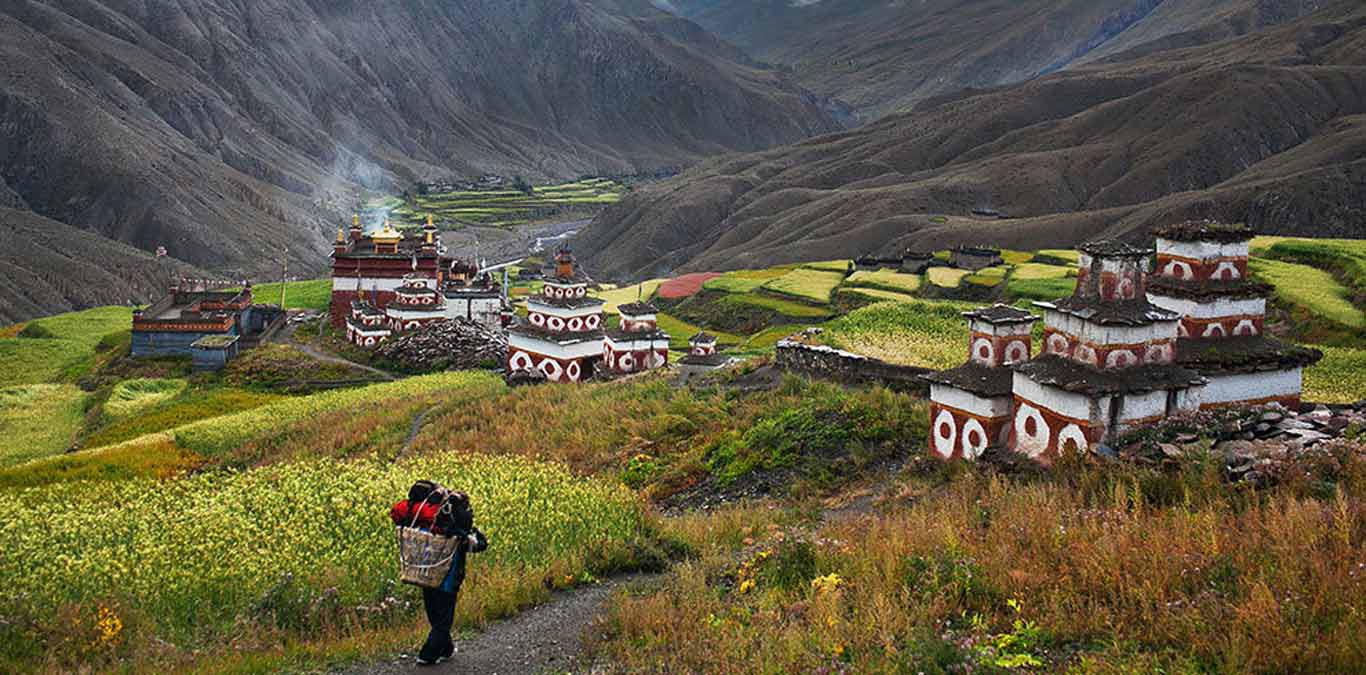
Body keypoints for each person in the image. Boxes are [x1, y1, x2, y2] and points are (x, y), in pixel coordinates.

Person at [390, 482, 488, 666]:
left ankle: (446, 648)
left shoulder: (420, 521)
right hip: (447, 577)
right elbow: (478, 545)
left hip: (423, 572)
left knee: (434, 613)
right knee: (443, 618)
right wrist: (476, 536)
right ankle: (428, 655)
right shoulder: (452, 528)